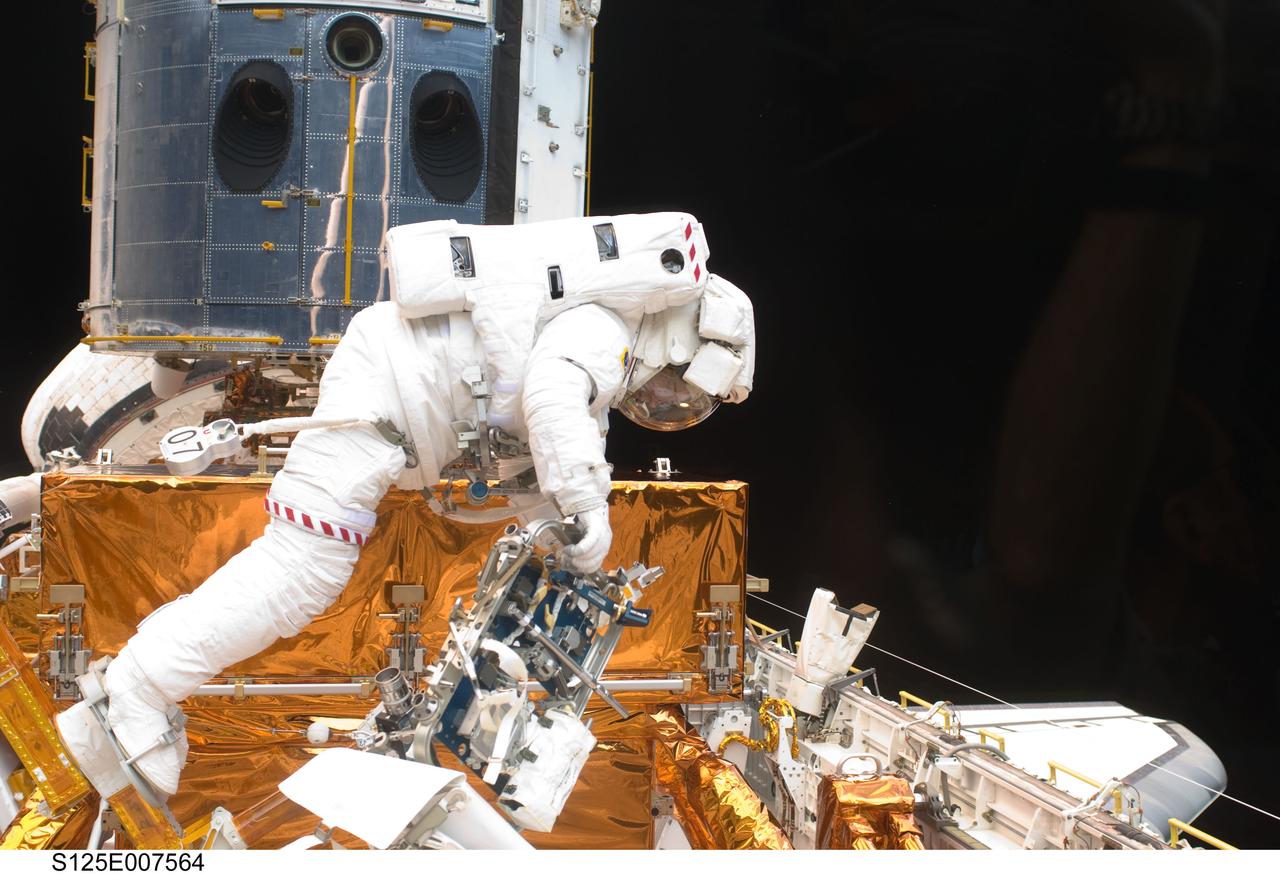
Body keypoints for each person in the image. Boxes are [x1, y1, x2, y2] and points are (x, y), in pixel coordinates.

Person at [67, 213, 756, 798]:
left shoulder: (594, 340)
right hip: (385, 390)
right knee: (300, 569)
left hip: (391, 391)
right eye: (674, 389)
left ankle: (144, 679)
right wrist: (584, 503)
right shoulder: (604, 334)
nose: (661, 402)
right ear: (681, 338)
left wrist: (566, 521)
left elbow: (542, 445)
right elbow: (549, 396)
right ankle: (136, 689)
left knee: (301, 570)